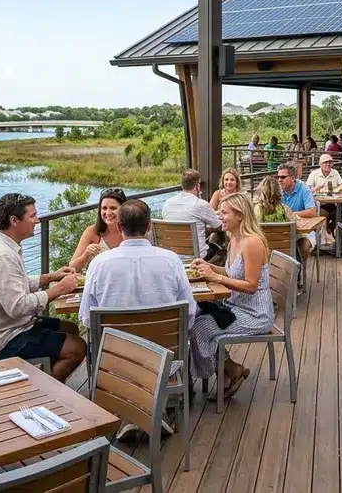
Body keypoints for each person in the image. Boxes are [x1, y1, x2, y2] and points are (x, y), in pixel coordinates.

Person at [0, 194, 86, 381]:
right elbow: (18, 307)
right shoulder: (2, 256)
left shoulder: (1, 246)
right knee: (77, 348)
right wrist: (59, 289)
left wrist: (50, 277)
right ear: (14, 220)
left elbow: (14, 285)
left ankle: (45, 378)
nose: (37, 221)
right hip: (0, 343)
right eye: (32, 216)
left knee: (70, 328)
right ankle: (44, 391)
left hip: (8, 329)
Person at [189, 193, 275, 399]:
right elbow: (232, 273)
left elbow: (251, 286)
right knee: (197, 316)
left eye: (224, 212)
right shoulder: (233, 238)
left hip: (255, 314)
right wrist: (209, 267)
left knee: (200, 328)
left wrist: (215, 278)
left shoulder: (252, 243)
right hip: (236, 306)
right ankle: (231, 370)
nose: (219, 216)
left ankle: (196, 381)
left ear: (240, 216)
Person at [78, 199, 196, 332]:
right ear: (149, 226)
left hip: (115, 350)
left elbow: (87, 318)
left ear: (119, 227)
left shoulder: (99, 264)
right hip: (165, 349)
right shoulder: (172, 261)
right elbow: (189, 313)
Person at [161, 169, 223, 260]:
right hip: (196, 257)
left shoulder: (167, 203)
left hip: (173, 256)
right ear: (197, 186)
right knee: (220, 249)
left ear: (182, 185)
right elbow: (220, 226)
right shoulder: (201, 204)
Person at [68, 188, 127, 271]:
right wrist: (85, 256)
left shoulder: (130, 231)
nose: (108, 213)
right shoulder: (91, 232)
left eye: (113, 208)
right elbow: (71, 268)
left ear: (123, 209)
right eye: (104, 208)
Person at [278, 162, 321, 257]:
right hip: (282, 230)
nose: (279, 180)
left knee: (303, 246)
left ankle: (297, 269)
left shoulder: (304, 189)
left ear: (293, 178)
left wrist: (291, 214)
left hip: (303, 231)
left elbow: (312, 211)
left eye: (283, 177)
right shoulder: (278, 189)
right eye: (278, 177)